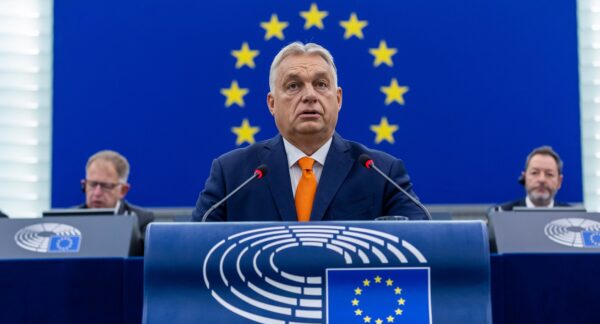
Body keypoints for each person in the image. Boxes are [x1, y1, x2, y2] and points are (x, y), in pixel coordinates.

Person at [192, 42, 428, 222]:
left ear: (338, 99)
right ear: (272, 104)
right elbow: (189, 252)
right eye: (293, 86)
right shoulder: (233, 175)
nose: (309, 95)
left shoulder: (381, 172)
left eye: (321, 84)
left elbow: (426, 248)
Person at [79, 150, 154, 239]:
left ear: (123, 190)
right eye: (92, 184)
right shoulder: (69, 219)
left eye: (106, 186)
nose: (97, 193)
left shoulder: (141, 221)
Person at [496, 146, 570, 211]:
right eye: (535, 173)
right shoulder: (501, 214)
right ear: (524, 178)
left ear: (559, 181)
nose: (542, 180)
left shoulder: (573, 216)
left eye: (549, 174)